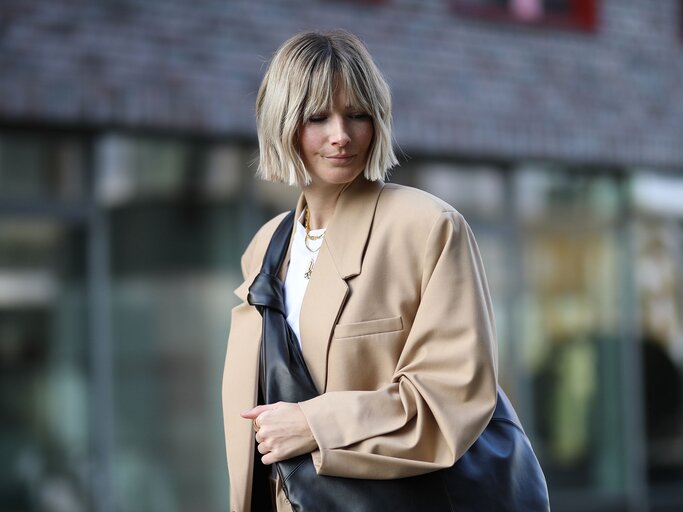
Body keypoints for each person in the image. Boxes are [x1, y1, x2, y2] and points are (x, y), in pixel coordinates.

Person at [222, 30, 498, 512]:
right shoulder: (265, 248)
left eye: (357, 115)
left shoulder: (428, 228)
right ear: (282, 124)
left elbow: (450, 398)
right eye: (317, 117)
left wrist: (315, 424)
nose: (341, 136)